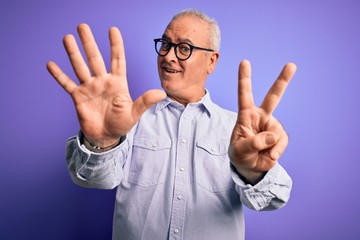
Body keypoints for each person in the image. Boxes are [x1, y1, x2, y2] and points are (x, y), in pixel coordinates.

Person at [47, 9, 296, 240]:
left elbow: (274, 199)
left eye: (184, 48)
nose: (168, 56)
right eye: (165, 44)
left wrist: (251, 173)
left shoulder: (238, 130)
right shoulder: (129, 120)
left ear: (211, 61)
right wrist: (103, 142)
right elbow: (95, 180)